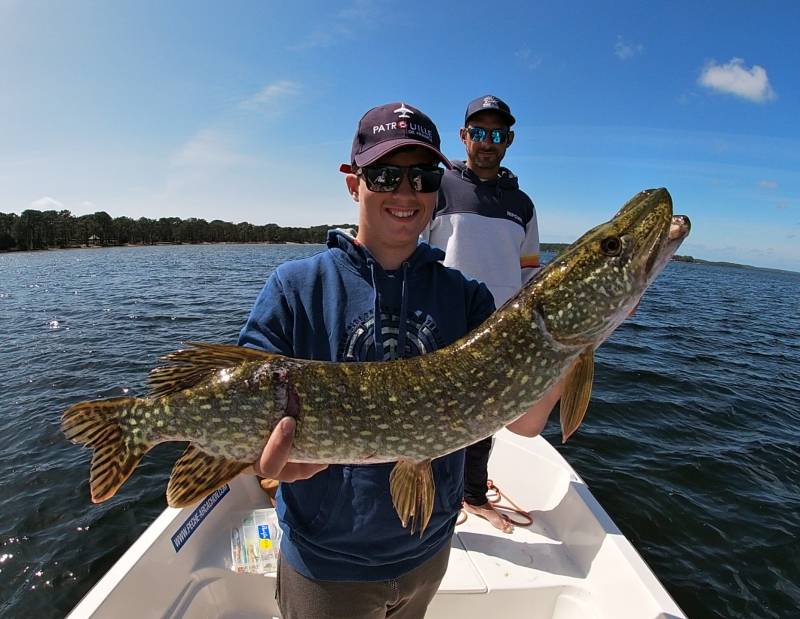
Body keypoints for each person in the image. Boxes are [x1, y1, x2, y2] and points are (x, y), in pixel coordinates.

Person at [239, 102, 564, 619]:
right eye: (387, 174)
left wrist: (581, 337)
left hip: (428, 553)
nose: (407, 193)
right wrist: (261, 458)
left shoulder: (469, 298)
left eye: (424, 176)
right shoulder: (295, 288)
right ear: (354, 184)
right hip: (327, 564)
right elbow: (241, 401)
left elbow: (525, 421)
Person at [421, 95, 540, 534]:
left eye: (497, 135)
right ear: (463, 136)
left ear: (507, 141)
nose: (487, 143)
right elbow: (418, 248)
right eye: (479, 133)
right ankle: (425, 491)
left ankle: (470, 494)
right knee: (429, 412)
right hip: (442, 319)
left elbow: (529, 271)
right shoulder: (440, 187)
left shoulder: (523, 205)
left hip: (503, 327)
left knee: (483, 417)